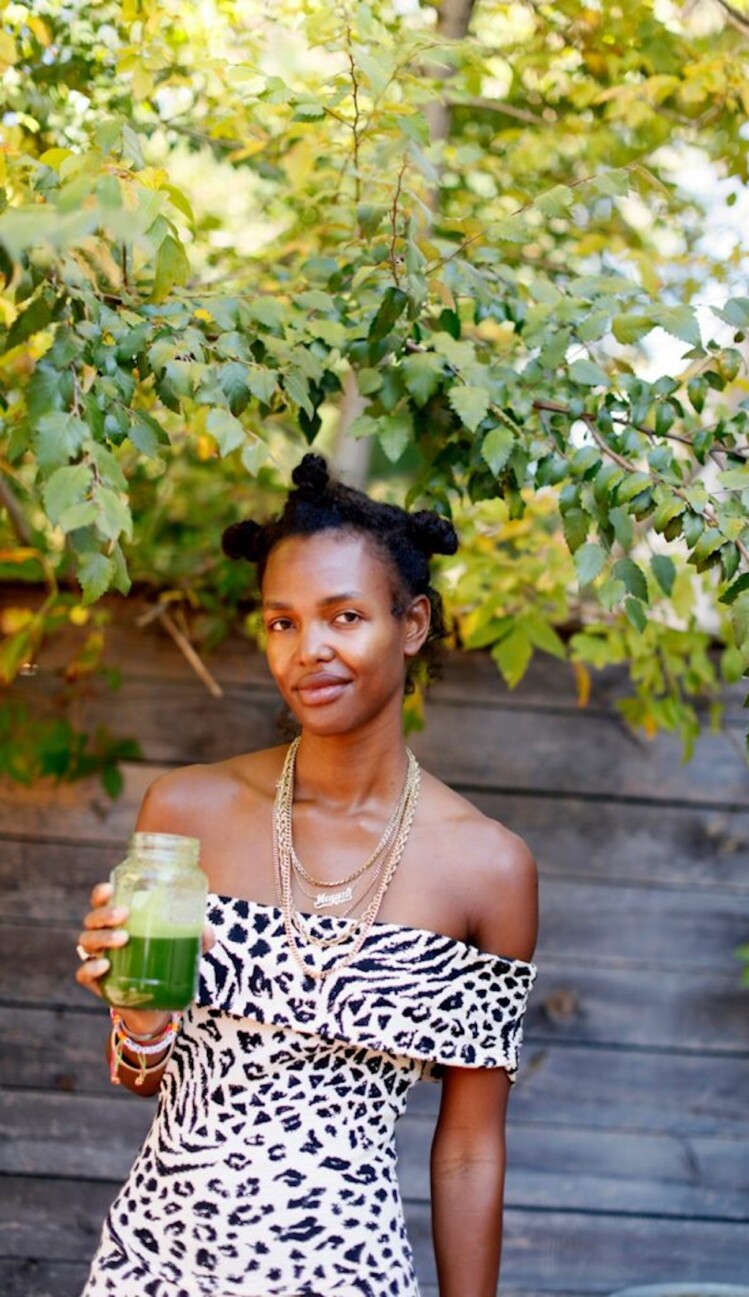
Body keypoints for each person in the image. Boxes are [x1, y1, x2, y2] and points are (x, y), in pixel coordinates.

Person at [75, 452, 538, 1297]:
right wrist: (138, 1018)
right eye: (281, 622)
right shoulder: (186, 813)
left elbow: (470, 1145)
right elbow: (141, 1077)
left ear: (412, 622)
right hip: (155, 1265)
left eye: (344, 615)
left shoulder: (488, 867)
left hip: (346, 1272)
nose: (308, 650)